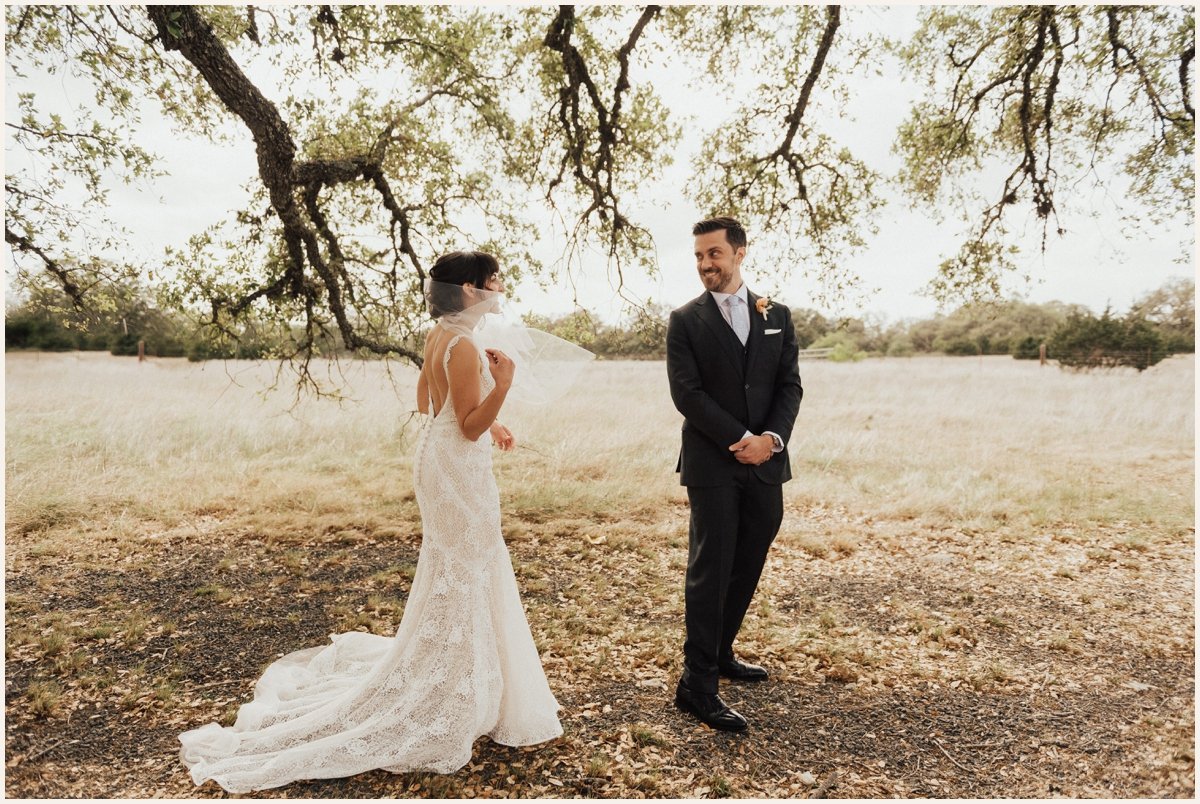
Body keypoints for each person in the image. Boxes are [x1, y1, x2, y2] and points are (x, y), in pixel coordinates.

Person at [179, 251, 563, 792]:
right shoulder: (466, 344)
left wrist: (491, 419)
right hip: (459, 469)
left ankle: (469, 674)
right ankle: (454, 684)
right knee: (469, 562)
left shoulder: (440, 337)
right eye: (493, 280)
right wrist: (503, 388)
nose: (501, 287)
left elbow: (433, 405)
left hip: (439, 458)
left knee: (460, 564)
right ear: (471, 291)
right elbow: (469, 425)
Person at [666, 217, 803, 732]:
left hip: (768, 464)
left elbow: (789, 387)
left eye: (715, 254)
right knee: (711, 570)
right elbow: (687, 394)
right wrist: (738, 440)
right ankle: (696, 687)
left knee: (748, 561)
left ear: (740, 253)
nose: (705, 265)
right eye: (699, 256)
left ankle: (722, 653)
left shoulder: (777, 316)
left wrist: (771, 441)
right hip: (712, 465)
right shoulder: (685, 321)